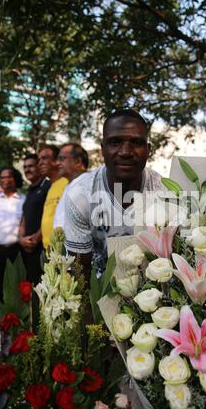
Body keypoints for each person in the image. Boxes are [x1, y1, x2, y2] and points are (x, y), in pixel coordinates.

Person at [64, 109, 163, 283]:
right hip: (99, 296)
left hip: (153, 300)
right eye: (115, 142)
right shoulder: (80, 196)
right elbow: (79, 272)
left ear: (148, 150)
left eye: (136, 142)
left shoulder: (164, 193)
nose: (125, 151)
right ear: (103, 149)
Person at [18, 154, 51, 285]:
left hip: (41, 250)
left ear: (39, 167)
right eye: (25, 167)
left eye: (31, 166)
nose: (27, 170)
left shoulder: (48, 186)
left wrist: (35, 239)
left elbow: (51, 217)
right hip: (26, 250)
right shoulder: (30, 190)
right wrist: (20, 238)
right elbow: (24, 217)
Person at [0, 167, 25, 300]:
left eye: (9, 177)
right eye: (2, 178)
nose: (5, 180)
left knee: (15, 288)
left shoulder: (24, 200)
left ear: (15, 179)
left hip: (17, 251)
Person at [38, 145, 68, 251]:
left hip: (64, 253)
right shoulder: (51, 186)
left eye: (44, 158)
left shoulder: (67, 183)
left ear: (56, 160)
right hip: (48, 251)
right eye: (39, 159)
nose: (40, 163)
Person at [53, 143, 89, 229]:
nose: (57, 163)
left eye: (62, 158)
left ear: (78, 162)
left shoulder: (88, 184)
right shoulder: (71, 185)